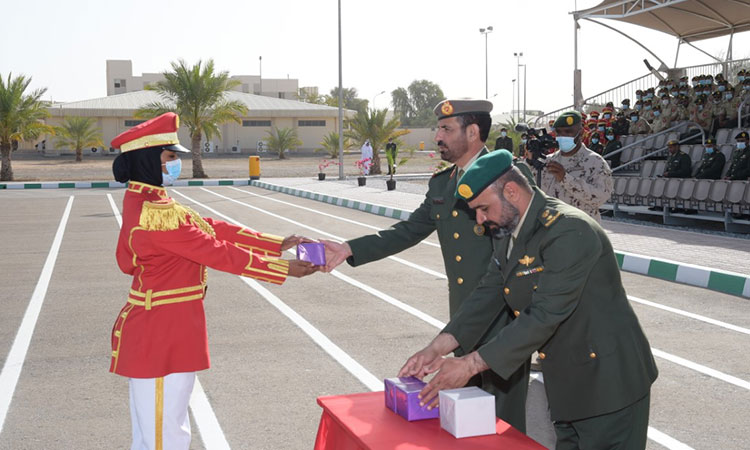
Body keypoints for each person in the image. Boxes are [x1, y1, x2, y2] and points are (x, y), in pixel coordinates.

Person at [399, 149, 658, 450]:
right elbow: (490, 291)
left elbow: (545, 314)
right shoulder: (509, 229)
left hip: (609, 383)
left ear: (511, 191)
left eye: (483, 208)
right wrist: (437, 347)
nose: (480, 220)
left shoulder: (568, 230)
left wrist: (469, 366)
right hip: (567, 380)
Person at [109, 112, 320, 449]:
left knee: (157, 431)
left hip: (169, 326)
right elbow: (214, 251)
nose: (176, 163)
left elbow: (210, 227)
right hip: (161, 334)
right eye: (171, 156)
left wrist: (273, 243)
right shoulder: (153, 215)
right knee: (165, 435)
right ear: (149, 159)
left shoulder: (153, 201)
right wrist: (282, 268)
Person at [321, 99, 530, 432]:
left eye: (447, 129)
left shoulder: (506, 177)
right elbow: (409, 230)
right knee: (464, 416)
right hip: (463, 313)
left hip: (500, 315)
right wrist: (348, 248)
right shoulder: (443, 183)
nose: (438, 137)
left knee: (501, 419)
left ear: (473, 132)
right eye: (438, 129)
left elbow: (509, 260)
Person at [540, 111, 613, 223]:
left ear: (581, 133)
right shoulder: (547, 161)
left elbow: (601, 197)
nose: (562, 136)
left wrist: (565, 179)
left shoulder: (595, 162)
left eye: (568, 132)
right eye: (559, 132)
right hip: (553, 230)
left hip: (582, 230)